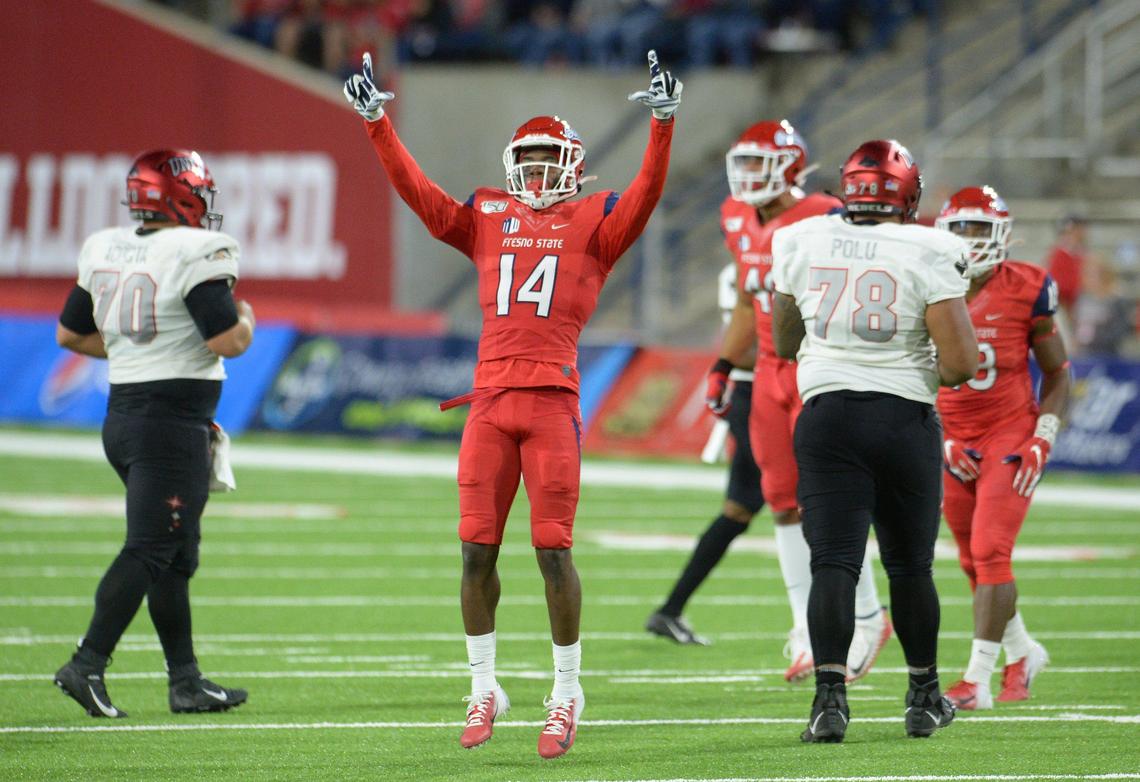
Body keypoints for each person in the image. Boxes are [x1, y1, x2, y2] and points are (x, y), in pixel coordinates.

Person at [344, 49, 681, 758]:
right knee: (474, 552)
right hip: (491, 402)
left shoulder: (598, 217)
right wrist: (378, 122)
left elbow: (648, 194)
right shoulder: (489, 212)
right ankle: (484, 686)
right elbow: (423, 197)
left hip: (552, 402)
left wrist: (662, 125)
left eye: (545, 157)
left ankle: (565, 691)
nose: (533, 169)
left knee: (553, 552)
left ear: (572, 164)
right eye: (525, 156)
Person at [661, 121, 890, 685]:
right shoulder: (735, 215)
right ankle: (802, 624)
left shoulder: (826, 212)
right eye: (741, 164)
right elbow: (746, 297)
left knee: (827, 502)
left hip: (818, 365)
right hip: (765, 369)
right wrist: (722, 364)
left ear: (790, 165)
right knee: (781, 501)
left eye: (758, 164)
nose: (745, 178)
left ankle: (867, 617)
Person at [770, 139, 978, 742]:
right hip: (901, 419)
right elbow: (961, 364)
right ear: (906, 192)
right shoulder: (932, 246)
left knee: (832, 561)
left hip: (826, 416)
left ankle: (829, 705)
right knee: (910, 566)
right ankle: (923, 697)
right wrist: (902, 373)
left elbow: (785, 342)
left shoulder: (801, 238)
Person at [53, 150, 253, 718]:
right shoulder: (196, 250)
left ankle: (185, 680)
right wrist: (250, 323)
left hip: (124, 419)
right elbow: (226, 341)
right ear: (180, 195)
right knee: (151, 548)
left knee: (175, 553)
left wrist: (131, 350)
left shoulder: (105, 245)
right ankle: (86, 663)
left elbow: (71, 333)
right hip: (169, 425)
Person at [933, 186, 1070, 710]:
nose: (968, 241)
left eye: (978, 229)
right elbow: (914, 372)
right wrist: (941, 435)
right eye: (959, 229)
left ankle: (976, 680)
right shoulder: (925, 281)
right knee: (972, 560)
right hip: (951, 435)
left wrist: (1044, 435)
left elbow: (1057, 370)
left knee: (992, 550)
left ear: (1003, 236)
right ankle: (1023, 652)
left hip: (1009, 432)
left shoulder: (1029, 287)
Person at [645, 262, 762, 647]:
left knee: (740, 510)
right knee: (804, 507)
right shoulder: (757, 263)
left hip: (755, 391)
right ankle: (833, 629)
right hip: (763, 391)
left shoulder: (740, 264)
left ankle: (670, 610)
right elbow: (748, 339)